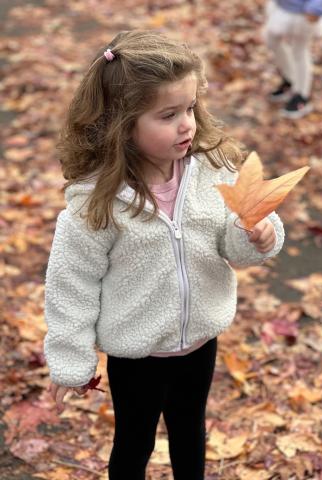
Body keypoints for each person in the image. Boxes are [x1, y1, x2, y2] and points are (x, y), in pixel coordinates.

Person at [44, 30, 285, 480]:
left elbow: (228, 243)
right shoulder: (98, 201)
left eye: (191, 108)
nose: (187, 124)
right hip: (137, 353)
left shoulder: (214, 171)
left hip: (200, 341)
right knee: (134, 440)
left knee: (190, 431)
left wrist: (254, 237)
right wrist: (71, 359)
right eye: (168, 114)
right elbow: (71, 283)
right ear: (122, 122)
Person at [264, 0, 322, 119]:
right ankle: (291, 79)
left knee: (299, 50)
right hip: (283, 7)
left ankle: (302, 96)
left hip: (304, 12)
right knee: (272, 40)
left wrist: (316, 7)